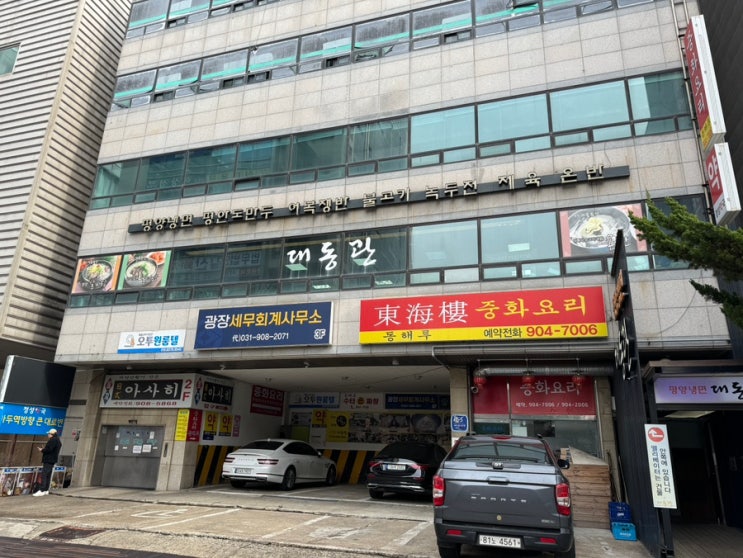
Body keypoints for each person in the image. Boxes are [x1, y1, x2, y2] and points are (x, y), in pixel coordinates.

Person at [33, 428, 62, 496]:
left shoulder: (52, 440)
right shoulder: (58, 441)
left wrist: (42, 450)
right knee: (48, 475)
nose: (48, 435)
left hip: (48, 460)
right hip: (52, 460)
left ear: (52, 434)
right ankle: (46, 490)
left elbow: (49, 449)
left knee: (44, 474)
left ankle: (42, 490)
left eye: (49, 434)